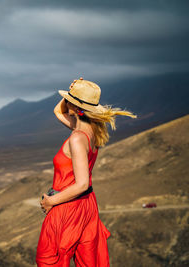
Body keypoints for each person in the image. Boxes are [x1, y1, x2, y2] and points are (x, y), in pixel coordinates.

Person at [36, 78, 137, 267]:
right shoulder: (93, 131)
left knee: (50, 260)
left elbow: (83, 183)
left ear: (74, 106)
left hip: (67, 207)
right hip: (87, 206)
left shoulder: (76, 138)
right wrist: (74, 94)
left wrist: (51, 201)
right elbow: (59, 111)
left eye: (69, 100)